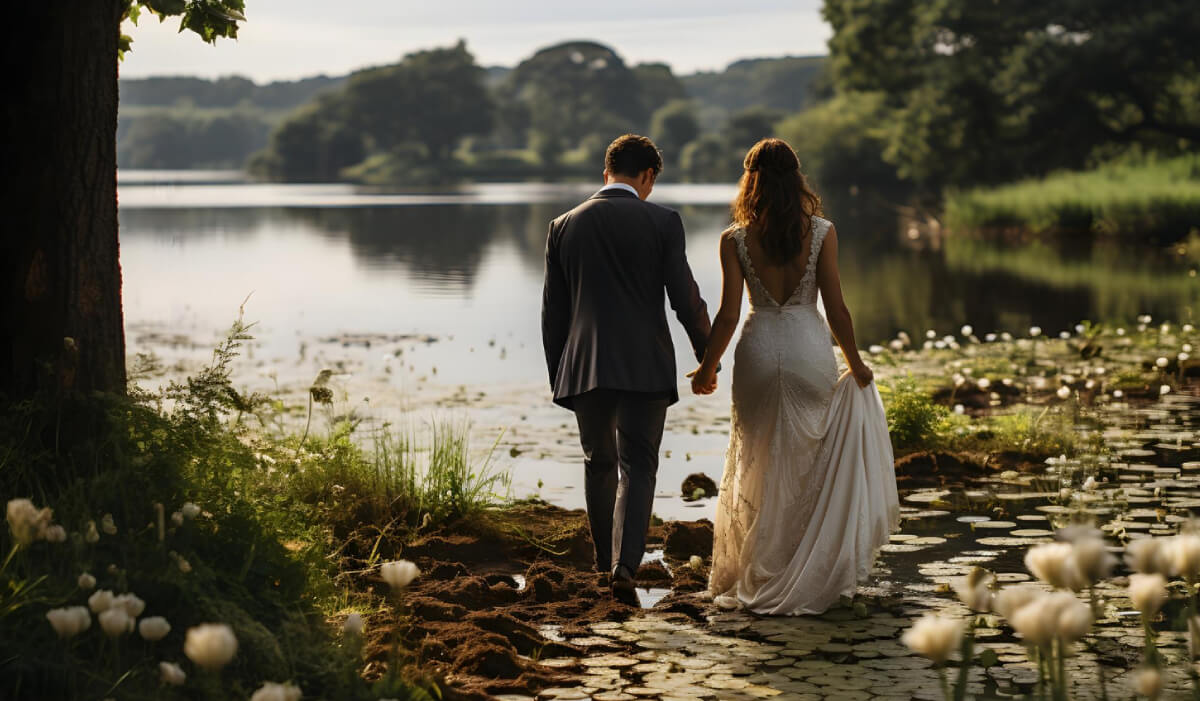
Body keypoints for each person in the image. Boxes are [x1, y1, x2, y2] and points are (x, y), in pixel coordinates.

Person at [690, 138, 900, 615]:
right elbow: (837, 308)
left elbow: (727, 315)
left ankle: (762, 565)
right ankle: (803, 565)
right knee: (809, 456)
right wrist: (856, 363)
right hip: (808, 348)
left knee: (758, 459)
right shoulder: (822, 232)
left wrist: (706, 368)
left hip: (759, 350)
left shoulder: (734, 239)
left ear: (751, 181)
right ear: (796, 179)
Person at [541, 134, 713, 604]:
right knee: (639, 465)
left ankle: (603, 562)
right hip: (645, 363)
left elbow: (554, 313)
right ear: (648, 176)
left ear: (606, 173)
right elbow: (685, 299)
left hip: (585, 366)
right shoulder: (662, 222)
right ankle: (625, 566)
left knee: (599, 463)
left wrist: (561, 375)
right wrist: (707, 356)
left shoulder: (563, 226)